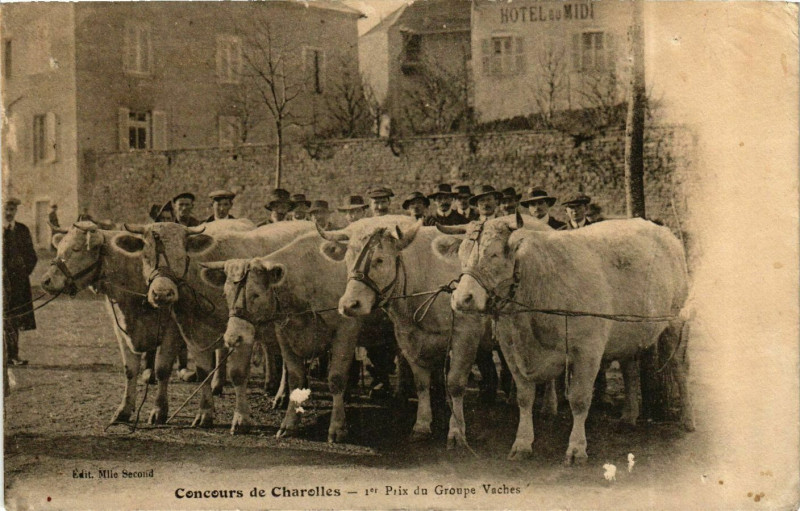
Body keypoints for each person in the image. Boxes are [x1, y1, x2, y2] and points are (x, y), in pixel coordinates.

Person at [3, 198, 37, 366]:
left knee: (13, 319)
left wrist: (23, 275)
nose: (8, 213)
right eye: (6, 209)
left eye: (12, 209)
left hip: (17, 284)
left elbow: (32, 256)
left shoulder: (22, 230)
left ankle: (13, 355)